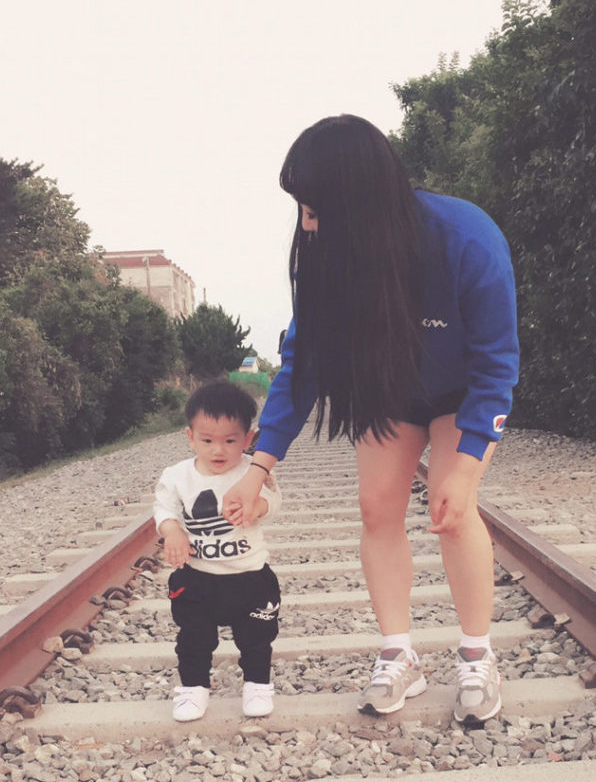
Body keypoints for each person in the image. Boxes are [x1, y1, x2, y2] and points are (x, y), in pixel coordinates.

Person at [224, 114, 519, 726]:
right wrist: (258, 468)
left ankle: (477, 656)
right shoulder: (328, 256)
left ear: (355, 202)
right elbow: (300, 365)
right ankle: (399, 654)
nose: (306, 222)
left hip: (461, 394)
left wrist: (463, 470)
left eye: (313, 207)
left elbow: (496, 368)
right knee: (376, 506)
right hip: (389, 395)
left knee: (451, 503)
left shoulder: (466, 237)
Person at [154, 381, 282, 722]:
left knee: (257, 639)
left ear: (249, 438)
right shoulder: (177, 475)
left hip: (251, 578)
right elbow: (163, 509)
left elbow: (274, 500)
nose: (218, 450)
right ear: (190, 436)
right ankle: (193, 689)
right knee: (193, 638)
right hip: (198, 579)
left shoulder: (252, 472)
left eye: (230, 441)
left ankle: (257, 685)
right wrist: (172, 531)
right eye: (207, 440)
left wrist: (257, 508)